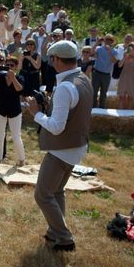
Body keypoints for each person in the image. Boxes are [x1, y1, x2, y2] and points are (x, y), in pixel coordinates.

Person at [26, 40, 93, 252]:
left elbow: (56, 127)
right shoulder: (83, 79)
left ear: (55, 59)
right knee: (57, 191)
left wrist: (36, 113)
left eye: (51, 59)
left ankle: (64, 238)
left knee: (42, 194)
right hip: (76, 146)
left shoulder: (65, 86)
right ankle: (56, 230)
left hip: (62, 150)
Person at [0, 56, 25, 166]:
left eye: (12, 65)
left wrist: (13, 78)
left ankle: (22, 160)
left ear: (16, 67)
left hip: (15, 112)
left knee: (16, 137)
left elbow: (20, 90)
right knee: (0, 135)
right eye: (7, 65)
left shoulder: (20, 78)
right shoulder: (1, 77)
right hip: (0, 110)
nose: (9, 67)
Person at [92, 34, 118, 108]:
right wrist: (97, 42)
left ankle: (102, 108)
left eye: (110, 40)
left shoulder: (114, 51)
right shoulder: (99, 48)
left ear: (112, 42)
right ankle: (93, 108)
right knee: (94, 92)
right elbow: (91, 53)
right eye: (107, 39)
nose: (108, 41)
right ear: (104, 40)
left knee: (103, 93)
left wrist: (110, 52)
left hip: (106, 75)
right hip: (96, 73)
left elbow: (114, 61)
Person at [117, 42, 134, 109]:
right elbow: (119, 65)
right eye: (130, 46)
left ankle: (128, 116)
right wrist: (124, 57)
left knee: (131, 98)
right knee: (122, 97)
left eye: (133, 47)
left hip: (133, 78)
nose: (131, 48)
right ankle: (121, 114)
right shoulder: (125, 54)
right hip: (124, 77)